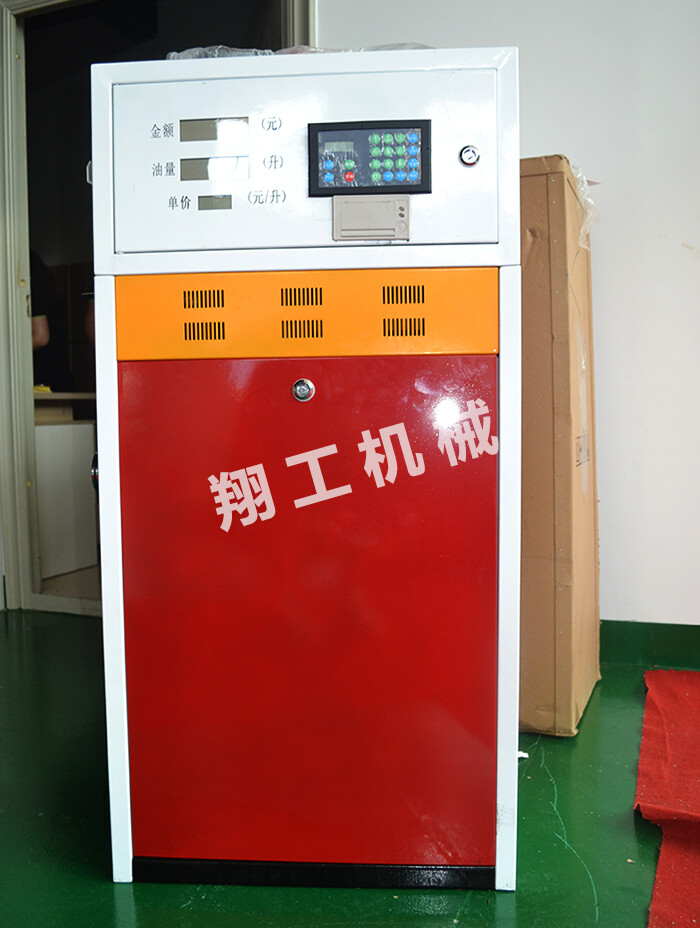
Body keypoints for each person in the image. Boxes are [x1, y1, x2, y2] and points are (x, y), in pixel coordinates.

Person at [30, 249, 73, 391]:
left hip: (44, 378)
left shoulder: (33, 289)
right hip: (58, 372)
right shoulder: (48, 288)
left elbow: (40, 337)